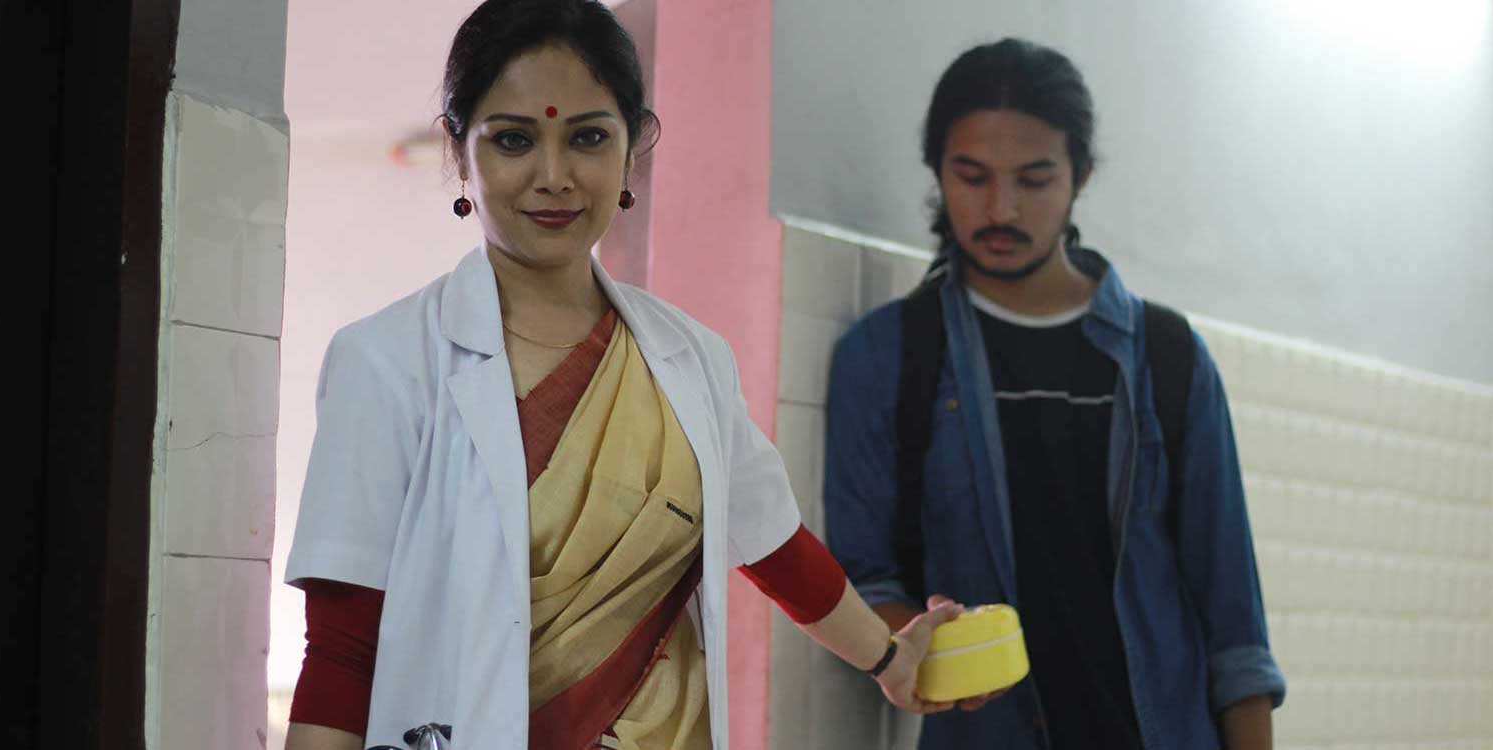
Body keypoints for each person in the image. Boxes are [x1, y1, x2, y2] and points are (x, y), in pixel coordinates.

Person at [281, 2, 987, 749]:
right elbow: (342, 649)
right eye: (514, 139)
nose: (554, 177)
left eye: (588, 137)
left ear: (631, 149)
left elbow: (775, 545)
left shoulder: (691, 358)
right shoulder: (388, 362)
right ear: (459, 151)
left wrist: (891, 659)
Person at [823, 39, 1286, 750]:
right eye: (971, 176)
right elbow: (863, 580)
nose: (1000, 208)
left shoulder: (1167, 356)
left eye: (1034, 180)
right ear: (938, 172)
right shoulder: (888, 357)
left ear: (1080, 177)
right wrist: (908, 643)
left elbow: (1234, 626)